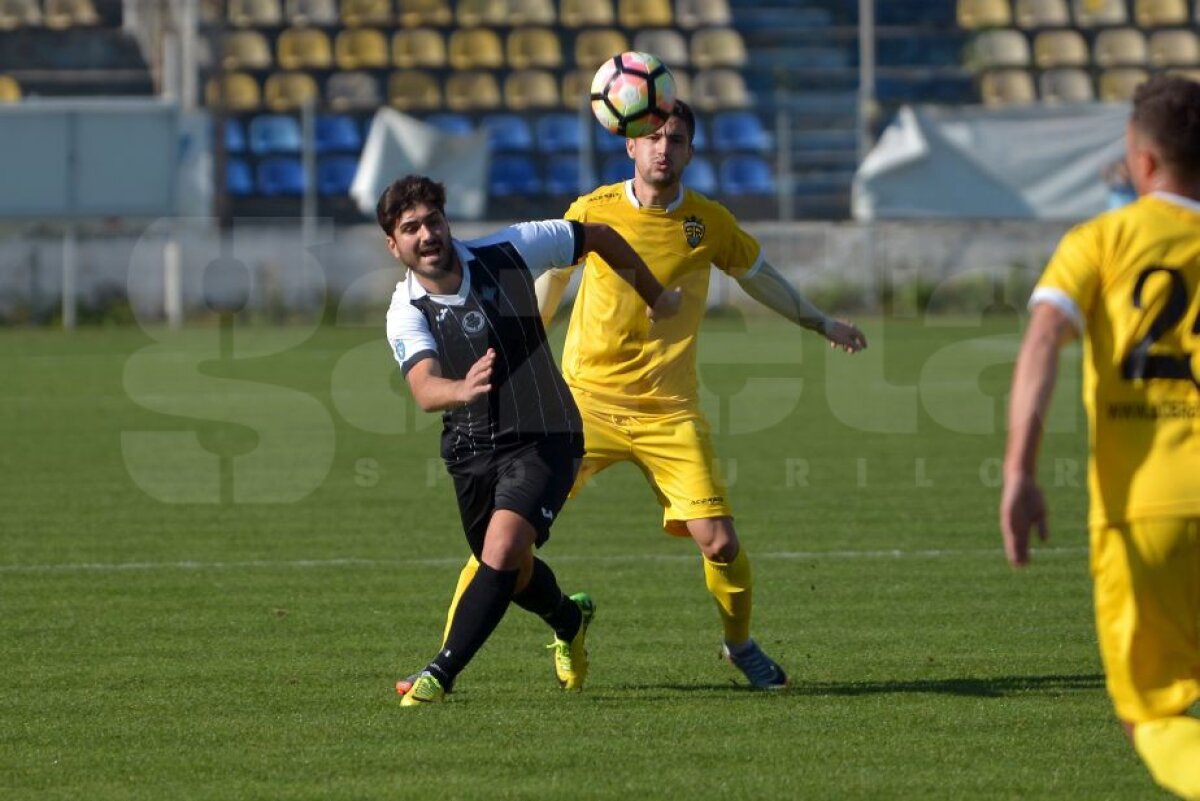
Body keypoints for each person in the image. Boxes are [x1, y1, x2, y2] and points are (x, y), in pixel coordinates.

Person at [414, 101, 867, 693]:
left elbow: (759, 274)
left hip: (668, 412)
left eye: (675, 139)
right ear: (628, 144)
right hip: (579, 406)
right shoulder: (594, 210)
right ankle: (447, 661)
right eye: (651, 138)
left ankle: (739, 646)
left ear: (690, 151)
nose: (662, 148)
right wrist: (520, 351)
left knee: (722, 543)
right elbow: (549, 280)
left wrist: (818, 321)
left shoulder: (708, 223)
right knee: (501, 539)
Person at [382, 175, 679, 706]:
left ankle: (439, 673)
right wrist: (463, 387)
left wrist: (655, 295)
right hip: (472, 450)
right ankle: (569, 618)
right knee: (511, 572)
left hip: (547, 434)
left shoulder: (511, 249)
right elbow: (425, 389)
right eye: (410, 228)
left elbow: (601, 237)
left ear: (447, 223)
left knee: (502, 549)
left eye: (433, 221)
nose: (426, 234)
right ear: (394, 244)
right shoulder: (405, 311)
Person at [1000, 76, 1200, 798]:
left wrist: (1019, 469)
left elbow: (1045, 334)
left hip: (1144, 512)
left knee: (1149, 714)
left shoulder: (1100, 240)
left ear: (1142, 163)